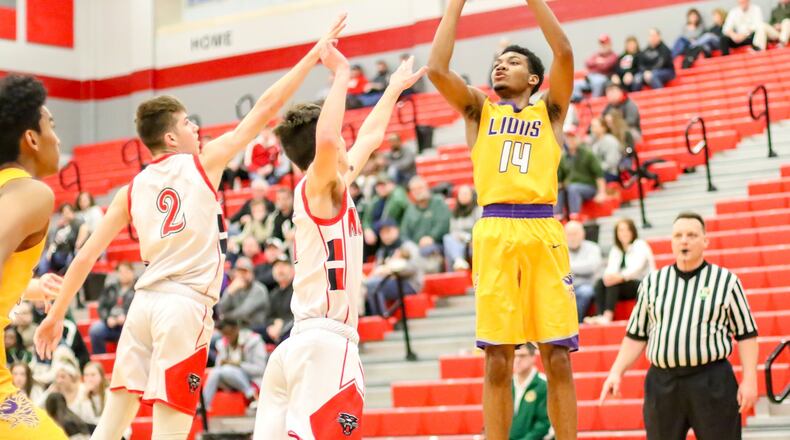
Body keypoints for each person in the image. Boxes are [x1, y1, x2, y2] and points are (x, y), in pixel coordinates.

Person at [35, 17, 348, 440]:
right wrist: (312, 56)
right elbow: (265, 109)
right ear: (169, 137)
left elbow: (87, 256)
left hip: (142, 305)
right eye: (187, 124)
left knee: (110, 424)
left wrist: (55, 316)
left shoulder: (130, 189)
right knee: (171, 427)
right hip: (183, 306)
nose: (196, 128)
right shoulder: (203, 163)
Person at [252, 35, 426, 438]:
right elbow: (329, 139)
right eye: (339, 138)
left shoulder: (333, 190)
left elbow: (370, 137)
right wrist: (342, 74)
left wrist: (393, 90)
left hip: (299, 346)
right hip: (327, 343)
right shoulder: (319, 186)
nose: (347, 140)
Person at [428, 0, 578, 438]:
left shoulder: (549, 110)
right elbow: (437, 69)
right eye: (496, 62)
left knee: (558, 356)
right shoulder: (479, 110)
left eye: (512, 62)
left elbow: (564, 52)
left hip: (542, 228)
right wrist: (454, 5)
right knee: (497, 358)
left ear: (533, 78)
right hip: (494, 230)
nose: (500, 67)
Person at [601, 212, 759, 440]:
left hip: (712, 380)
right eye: (678, 235)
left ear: (705, 241)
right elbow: (636, 335)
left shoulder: (726, 281)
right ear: (671, 242)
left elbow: (746, 334)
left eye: (692, 235)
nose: (684, 240)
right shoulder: (652, 283)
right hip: (663, 383)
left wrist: (750, 380)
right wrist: (616, 372)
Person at [0, 74, 67, 439]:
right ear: (31, 139)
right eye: (51, 126)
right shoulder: (32, 192)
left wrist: (26, 286)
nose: (57, 138)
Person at [586, 218, 655, 325]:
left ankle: (607, 316)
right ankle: (600, 315)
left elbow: (636, 268)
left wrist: (619, 277)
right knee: (600, 282)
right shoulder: (616, 249)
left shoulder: (640, 244)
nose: (624, 233)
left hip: (641, 283)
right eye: (620, 230)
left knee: (614, 283)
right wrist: (608, 277)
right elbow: (611, 269)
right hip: (623, 285)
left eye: (627, 230)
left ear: (633, 231)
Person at [203, 318, 267, 410]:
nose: (227, 337)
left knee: (226, 369)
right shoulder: (222, 344)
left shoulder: (254, 341)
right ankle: (251, 395)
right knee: (217, 371)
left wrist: (238, 364)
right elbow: (218, 368)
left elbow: (261, 370)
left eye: (229, 333)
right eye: (224, 334)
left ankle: (205, 405)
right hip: (229, 380)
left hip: (253, 380)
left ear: (236, 329)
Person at [364, 220, 424, 317]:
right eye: (382, 233)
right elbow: (377, 270)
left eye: (388, 231)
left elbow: (414, 267)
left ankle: (381, 317)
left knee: (373, 285)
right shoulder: (382, 251)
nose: (385, 235)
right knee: (366, 285)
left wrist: (391, 268)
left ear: (396, 230)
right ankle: (368, 317)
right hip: (388, 282)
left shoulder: (407, 246)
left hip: (408, 283)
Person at [555, 128, 607, 219]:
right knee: (560, 189)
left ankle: (575, 215)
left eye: (573, 138)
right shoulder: (563, 157)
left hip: (589, 187)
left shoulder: (588, 154)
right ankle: (557, 216)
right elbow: (560, 178)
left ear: (579, 139)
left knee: (573, 188)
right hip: (569, 187)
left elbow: (599, 174)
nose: (570, 140)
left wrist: (602, 193)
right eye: (568, 138)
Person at [88, 261, 135, 354]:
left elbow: (141, 309)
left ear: (132, 272)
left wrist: (126, 317)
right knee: (95, 330)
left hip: (130, 325)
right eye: (121, 272)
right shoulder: (111, 288)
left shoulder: (138, 288)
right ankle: (100, 360)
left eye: (126, 271)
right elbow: (102, 307)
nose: (123, 275)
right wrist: (107, 319)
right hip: (111, 324)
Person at [400, 175, 451, 258]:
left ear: (427, 187)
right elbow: (404, 233)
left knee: (427, 251)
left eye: (420, 188)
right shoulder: (410, 209)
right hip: (415, 248)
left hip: (437, 244)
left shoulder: (438, 202)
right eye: (414, 189)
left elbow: (444, 223)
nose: (417, 191)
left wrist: (432, 237)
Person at [509, 344, 550, 440]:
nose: (517, 360)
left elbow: (544, 423)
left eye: (522, 356)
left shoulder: (543, 385)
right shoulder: (507, 384)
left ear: (533, 357)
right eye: (514, 356)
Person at [217, 257, 270, 329]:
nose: (242, 275)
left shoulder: (259, 289)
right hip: (236, 328)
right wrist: (229, 292)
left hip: (254, 329)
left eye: (245, 272)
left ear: (252, 273)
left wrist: (224, 317)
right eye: (239, 271)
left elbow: (243, 313)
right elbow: (220, 309)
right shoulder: (233, 288)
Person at [565, 221, 602, 321]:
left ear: (582, 234)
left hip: (587, 285)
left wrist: (570, 267)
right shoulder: (562, 249)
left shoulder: (593, 247)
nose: (572, 237)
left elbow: (591, 267)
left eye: (575, 233)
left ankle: (576, 323)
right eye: (569, 234)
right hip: (566, 286)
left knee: (584, 292)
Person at [443, 185, 481, 271]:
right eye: (461, 194)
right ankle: (458, 261)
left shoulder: (478, 209)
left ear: (472, 195)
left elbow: (481, 228)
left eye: (466, 193)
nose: (463, 196)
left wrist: (471, 239)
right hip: (461, 241)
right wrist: (465, 237)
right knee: (448, 239)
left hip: (475, 240)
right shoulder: (455, 212)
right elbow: (453, 231)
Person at [571, 33, 618, 101]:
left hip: (604, 78)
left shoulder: (613, 55)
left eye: (605, 43)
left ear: (609, 44)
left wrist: (597, 64)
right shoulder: (596, 55)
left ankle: (594, 101)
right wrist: (598, 62)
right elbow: (587, 63)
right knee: (575, 85)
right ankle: (580, 101)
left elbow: (605, 66)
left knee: (598, 82)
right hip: (590, 79)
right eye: (601, 44)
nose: (603, 46)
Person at [260, 255, 295, 345]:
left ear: (292, 270)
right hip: (276, 333)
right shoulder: (273, 294)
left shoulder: (298, 290)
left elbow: (299, 315)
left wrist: (282, 325)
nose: (280, 269)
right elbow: (267, 317)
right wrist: (274, 323)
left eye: (284, 265)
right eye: (277, 266)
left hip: (293, 331)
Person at [588, 117, 622, 183]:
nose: (592, 129)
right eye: (591, 126)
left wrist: (594, 169)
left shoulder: (610, 141)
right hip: (596, 173)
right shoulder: (593, 141)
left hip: (610, 173)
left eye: (594, 126)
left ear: (603, 127)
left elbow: (611, 163)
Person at [79, 361, 109, 428]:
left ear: (101, 376)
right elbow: (86, 420)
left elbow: (108, 420)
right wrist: (85, 397)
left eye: (93, 375)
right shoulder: (82, 392)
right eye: (86, 375)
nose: (89, 379)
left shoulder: (109, 393)